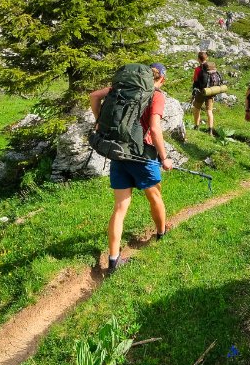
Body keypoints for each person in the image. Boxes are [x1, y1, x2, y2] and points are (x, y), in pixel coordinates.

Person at [89, 63, 174, 274]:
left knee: (119, 208)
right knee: (155, 197)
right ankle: (162, 234)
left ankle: (113, 260)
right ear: (161, 79)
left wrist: (99, 121)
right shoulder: (156, 96)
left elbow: (93, 96)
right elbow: (154, 128)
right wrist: (164, 158)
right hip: (143, 156)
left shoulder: (121, 89)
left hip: (118, 153)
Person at [191, 51, 216, 135]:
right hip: (211, 91)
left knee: (196, 108)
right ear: (207, 58)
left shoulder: (198, 69)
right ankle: (210, 130)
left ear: (198, 59)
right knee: (209, 111)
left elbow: (195, 81)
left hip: (201, 91)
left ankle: (196, 126)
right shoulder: (212, 68)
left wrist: (194, 90)